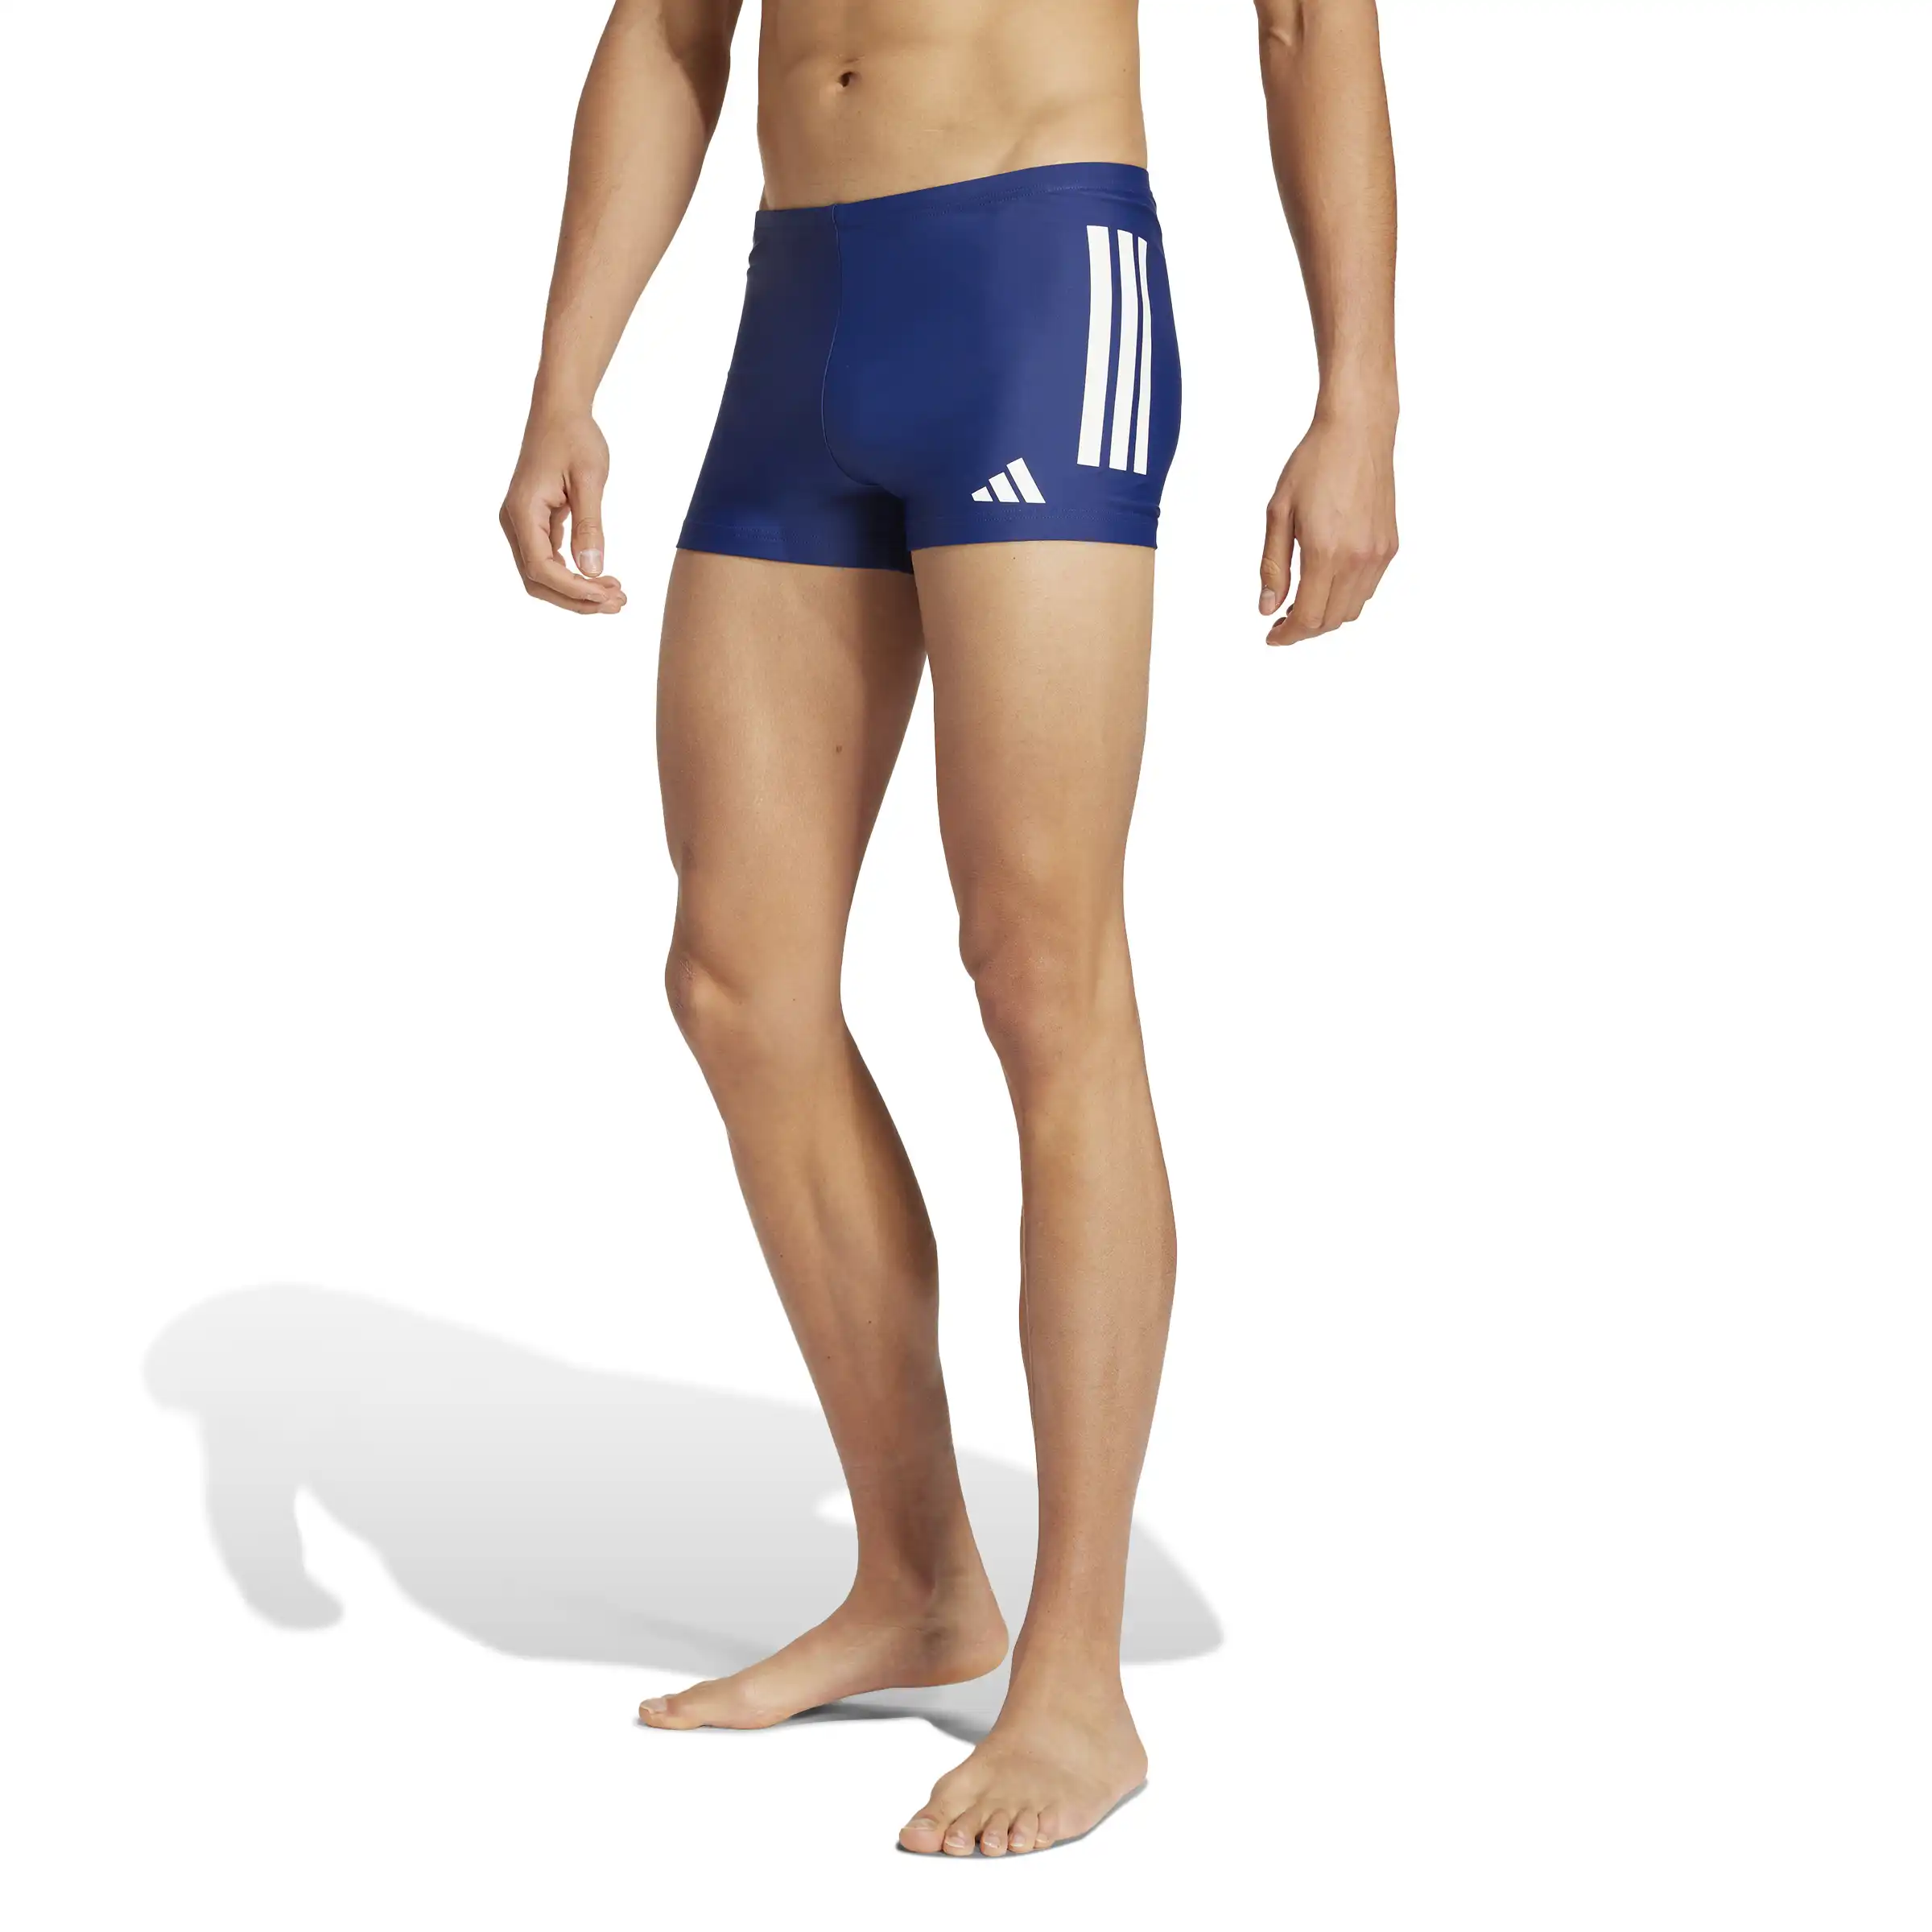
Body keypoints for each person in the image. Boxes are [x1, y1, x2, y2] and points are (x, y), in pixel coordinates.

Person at [498, 0, 1397, 1858]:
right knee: (737, 981)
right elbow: (668, 30)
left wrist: (1359, 396)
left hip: (1036, 287)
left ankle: (1078, 1678)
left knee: (1040, 972)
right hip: (799, 310)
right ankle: (914, 1580)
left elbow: (1313, 25)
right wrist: (567, 379)